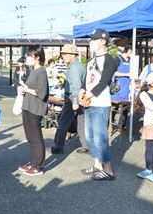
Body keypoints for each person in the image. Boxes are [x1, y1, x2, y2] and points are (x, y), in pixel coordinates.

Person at [79, 29, 119, 181]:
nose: (91, 42)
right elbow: (86, 80)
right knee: (90, 136)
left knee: (100, 137)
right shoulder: (90, 61)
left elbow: (103, 82)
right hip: (89, 103)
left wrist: (87, 95)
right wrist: (81, 92)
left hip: (101, 104)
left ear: (103, 41)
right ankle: (97, 165)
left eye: (94, 40)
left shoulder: (110, 60)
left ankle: (108, 170)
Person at [49, 44, 87, 154]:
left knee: (63, 122)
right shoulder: (79, 65)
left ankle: (58, 146)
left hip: (73, 97)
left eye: (65, 54)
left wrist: (75, 102)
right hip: (81, 97)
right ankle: (86, 145)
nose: (63, 56)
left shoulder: (74, 68)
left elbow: (76, 86)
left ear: (72, 54)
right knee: (81, 122)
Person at [17, 46, 49, 176]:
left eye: (30, 56)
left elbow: (42, 93)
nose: (27, 58)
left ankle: (37, 166)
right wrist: (24, 90)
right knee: (30, 137)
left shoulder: (41, 71)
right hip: (28, 107)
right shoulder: (34, 71)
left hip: (35, 109)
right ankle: (33, 162)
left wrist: (26, 90)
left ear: (37, 58)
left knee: (36, 138)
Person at [111, 46, 132, 132]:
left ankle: (122, 126)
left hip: (126, 88)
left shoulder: (131, 61)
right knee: (114, 107)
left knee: (126, 108)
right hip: (117, 87)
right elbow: (112, 72)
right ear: (128, 51)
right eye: (132, 52)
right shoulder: (117, 59)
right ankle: (109, 124)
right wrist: (126, 74)